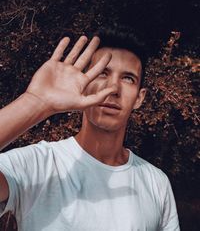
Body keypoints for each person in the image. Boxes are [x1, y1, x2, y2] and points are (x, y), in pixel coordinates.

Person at [0, 28, 180, 231]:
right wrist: (36, 102)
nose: (113, 89)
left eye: (128, 78)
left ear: (139, 98)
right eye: (102, 73)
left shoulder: (156, 182)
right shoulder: (38, 164)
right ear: (83, 83)